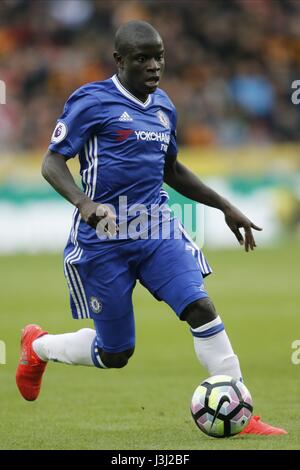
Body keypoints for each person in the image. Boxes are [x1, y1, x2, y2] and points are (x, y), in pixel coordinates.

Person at [16, 20, 286, 436]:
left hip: (156, 229)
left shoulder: (164, 107)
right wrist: (84, 203)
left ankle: (242, 412)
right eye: (142, 59)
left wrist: (224, 205)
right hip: (103, 240)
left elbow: (171, 170)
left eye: (158, 56)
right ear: (119, 61)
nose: (154, 66)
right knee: (116, 353)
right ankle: (37, 346)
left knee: (200, 307)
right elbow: (52, 162)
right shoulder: (90, 101)